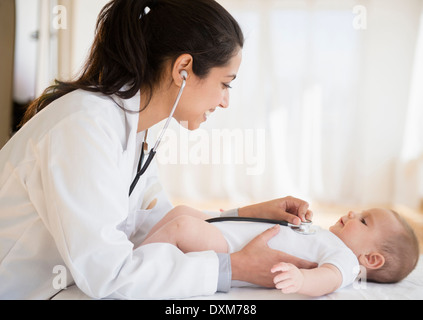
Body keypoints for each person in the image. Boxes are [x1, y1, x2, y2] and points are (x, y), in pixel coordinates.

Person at [0, 0, 315, 299]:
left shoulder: (133, 129)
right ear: (183, 68)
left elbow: (162, 223)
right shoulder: (84, 127)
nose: (224, 101)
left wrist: (244, 216)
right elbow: (109, 274)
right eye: (225, 83)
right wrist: (232, 269)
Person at [141, 206, 420, 296]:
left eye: (363, 220)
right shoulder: (327, 237)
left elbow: (330, 278)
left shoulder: (346, 260)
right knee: (182, 212)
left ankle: (134, 263)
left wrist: (302, 280)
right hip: (227, 231)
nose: (352, 212)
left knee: (182, 227)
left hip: (230, 247)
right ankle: (140, 249)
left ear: (371, 259)